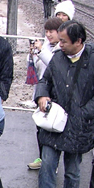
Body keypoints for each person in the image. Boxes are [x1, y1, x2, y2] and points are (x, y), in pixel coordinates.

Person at [30, 21, 94, 188]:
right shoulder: (58, 58)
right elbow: (45, 81)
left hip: (78, 126)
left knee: (72, 170)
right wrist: (42, 96)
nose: (59, 45)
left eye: (64, 41)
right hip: (54, 123)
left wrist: (84, 112)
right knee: (47, 166)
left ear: (79, 41)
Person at [28, 17, 64, 170]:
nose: (48, 35)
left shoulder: (62, 48)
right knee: (41, 126)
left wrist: (41, 50)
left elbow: (55, 66)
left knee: (54, 127)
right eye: (47, 31)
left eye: (52, 32)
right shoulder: (47, 46)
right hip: (42, 91)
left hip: (55, 93)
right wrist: (33, 55)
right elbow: (38, 67)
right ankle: (43, 158)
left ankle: (50, 162)